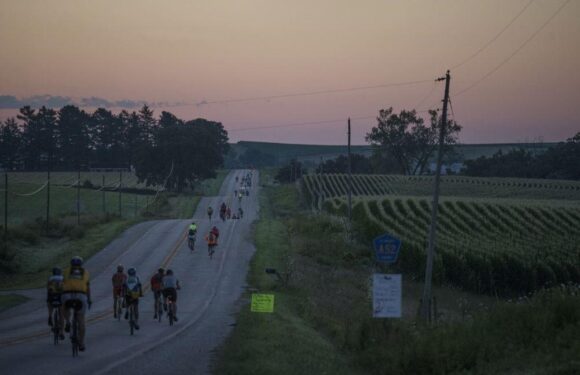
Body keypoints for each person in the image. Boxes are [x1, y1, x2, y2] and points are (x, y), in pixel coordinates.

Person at [60, 256, 91, 352]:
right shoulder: (85, 272)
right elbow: (87, 287)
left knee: (64, 307)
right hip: (81, 296)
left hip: (67, 294)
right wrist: (89, 299)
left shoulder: (66, 271)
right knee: (81, 319)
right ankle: (81, 343)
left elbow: (62, 284)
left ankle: (68, 322)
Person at [47, 267, 64, 333]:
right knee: (61, 314)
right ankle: (62, 332)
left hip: (52, 296)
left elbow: (48, 288)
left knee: (49, 302)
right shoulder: (62, 278)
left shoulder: (50, 278)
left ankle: (50, 315)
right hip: (60, 295)